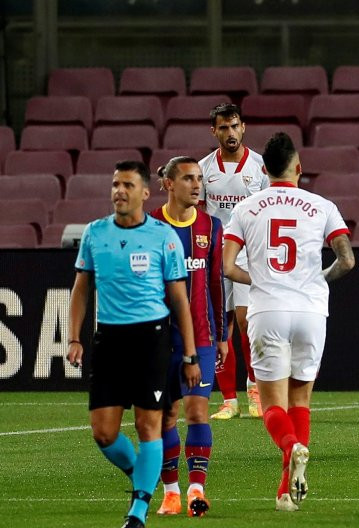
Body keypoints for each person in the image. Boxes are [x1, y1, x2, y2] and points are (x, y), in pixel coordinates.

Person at [223, 132, 355, 511]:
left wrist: (262, 279)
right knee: (301, 401)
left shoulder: (246, 208)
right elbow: (347, 260)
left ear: (264, 170)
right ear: (299, 167)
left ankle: (290, 447)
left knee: (272, 407)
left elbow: (228, 266)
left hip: (268, 310)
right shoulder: (322, 205)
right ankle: (285, 493)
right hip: (312, 311)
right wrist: (315, 281)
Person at [67, 161, 199, 528]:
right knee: (104, 433)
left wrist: (190, 355)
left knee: (148, 426)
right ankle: (143, 474)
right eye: (114, 185)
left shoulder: (163, 237)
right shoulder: (95, 234)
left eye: (127, 185)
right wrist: (75, 336)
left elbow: (179, 300)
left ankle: (138, 510)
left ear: (144, 192)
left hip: (151, 340)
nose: (119, 191)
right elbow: (82, 287)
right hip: (109, 340)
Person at [149, 157, 227, 517]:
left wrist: (222, 334)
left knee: (198, 412)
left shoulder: (211, 225)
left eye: (200, 179)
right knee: (166, 415)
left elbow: (215, 282)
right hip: (159, 340)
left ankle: (197, 490)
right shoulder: (150, 226)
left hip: (203, 337)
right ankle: (171, 492)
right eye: (188, 179)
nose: (197, 185)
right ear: (168, 183)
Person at [199, 103, 269, 420]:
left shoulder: (260, 167)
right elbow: (199, 214)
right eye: (223, 127)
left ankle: (254, 391)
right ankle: (229, 400)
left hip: (248, 253)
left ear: (243, 127)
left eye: (234, 125)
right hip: (216, 252)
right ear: (214, 131)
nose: (230, 132)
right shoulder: (202, 170)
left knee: (245, 321)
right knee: (218, 325)